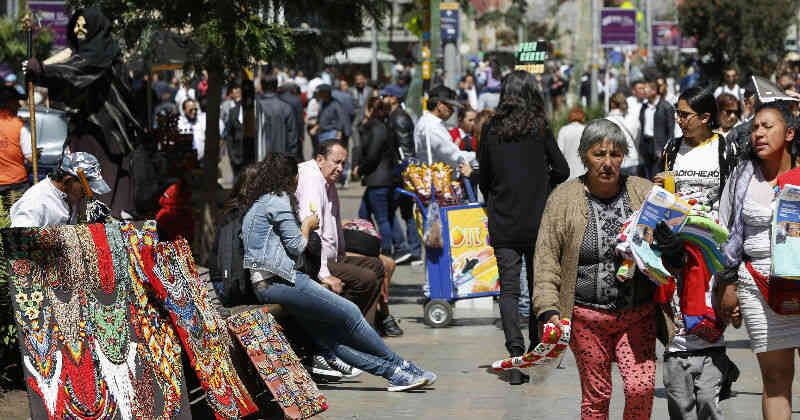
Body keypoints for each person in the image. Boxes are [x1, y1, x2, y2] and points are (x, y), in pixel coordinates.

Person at [241, 154, 435, 392]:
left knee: (331, 339)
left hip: (269, 283)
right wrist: (307, 225)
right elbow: (297, 245)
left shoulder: (261, 202)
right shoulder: (278, 200)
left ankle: (395, 372)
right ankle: (399, 365)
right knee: (350, 312)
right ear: (289, 177)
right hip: (282, 281)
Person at [533, 119, 661, 419]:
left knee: (641, 389)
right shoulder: (563, 199)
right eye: (599, 154)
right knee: (597, 395)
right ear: (584, 156)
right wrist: (548, 309)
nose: (607, 162)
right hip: (586, 318)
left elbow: (670, 246)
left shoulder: (643, 192)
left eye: (615, 154)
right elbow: (546, 259)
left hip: (637, 314)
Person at [479, 70, 570, 385]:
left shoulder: (491, 128)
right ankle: (533, 350)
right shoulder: (539, 127)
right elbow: (562, 169)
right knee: (537, 287)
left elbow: (484, 175)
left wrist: (495, 196)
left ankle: (514, 353)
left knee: (508, 289)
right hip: (537, 220)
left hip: (503, 218)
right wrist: (542, 184)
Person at [655, 87, 740, 419]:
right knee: (680, 316)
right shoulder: (672, 148)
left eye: (684, 114)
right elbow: (665, 195)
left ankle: (714, 373)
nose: (679, 120)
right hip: (678, 249)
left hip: (713, 251)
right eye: (677, 113)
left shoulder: (725, 148)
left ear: (705, 117)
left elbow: (734, 198)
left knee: (709, 313)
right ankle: (682, 370)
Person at [718, 100, 800, 420]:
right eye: (754, 127)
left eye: (768, 126)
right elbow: (725, 232)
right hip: (757, 284)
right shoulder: (742, 177)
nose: (759, 133)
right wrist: (727, 283)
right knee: (775, 378)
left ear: (789, 133)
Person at [24, 7, 143, 218]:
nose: (78, 29)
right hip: (84, 132)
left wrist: (43, 69)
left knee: (104, 197)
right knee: (82, 191)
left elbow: (78, 70)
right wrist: (39, 74)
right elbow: (69, 77)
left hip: (106, 136)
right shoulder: (84, 55)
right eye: (76, 25)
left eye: (84, 25)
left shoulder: (103, 54)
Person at [296, 140, 384, 323]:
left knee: (377, 266)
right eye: (336, 162)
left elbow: (333, 222)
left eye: (344, 163)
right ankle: (347, 326)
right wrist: (324, 273)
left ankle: (366, 328)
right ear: (320, 159)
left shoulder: (327, 180)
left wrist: (341, 252)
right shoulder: (312, 181)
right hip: (314, 262)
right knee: (365, 278)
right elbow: (313, 232)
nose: (341, 168)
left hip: (332, 257)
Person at [356, 97, 408, 260]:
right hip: (383, 179)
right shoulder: (384, 126)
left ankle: (387, 250)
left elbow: (372, 155)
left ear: (371, 110)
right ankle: (394, 246)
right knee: (365, 213)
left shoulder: (377, 128)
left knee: (383, 217)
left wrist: (360, 169)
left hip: (379, 180)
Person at [11, 152, 110, 227]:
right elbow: (20, 241)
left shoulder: (70, 194)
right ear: (68, 181)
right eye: (84, 188)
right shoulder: (35, 203)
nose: (88, 193)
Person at [382, 84, 422, 265]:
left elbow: (406, 150)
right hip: (399, 172)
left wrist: (403, 173)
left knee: (402, 210)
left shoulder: (399, 118)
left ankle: (411, 250)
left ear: (394, 98)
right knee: (404, 211)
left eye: (385, 96)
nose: (382, 99)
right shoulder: (394, 116)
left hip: (401, 173)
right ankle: (410, 249)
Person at [414, 85, 475, 167]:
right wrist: (479, 156)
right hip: (436, 173)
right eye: (450, 107)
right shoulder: (432, 127)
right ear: (440, 105)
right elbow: (454, 157)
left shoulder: (426, 121)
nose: (453, 111)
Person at [254, 75, 298, 159]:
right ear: (277, 87)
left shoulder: (256, 107)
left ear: (262, 87)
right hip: (281, 158)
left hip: (259, 158)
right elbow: (292, 139)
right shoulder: (286, 107)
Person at [0, 86, 31, 201]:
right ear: (9, 103)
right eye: (16, 101)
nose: (19, 105)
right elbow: (31, 157)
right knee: (15, 212)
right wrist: (36, 154)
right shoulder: (20, 125)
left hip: (13, 182)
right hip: (16, 182)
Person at [640, 79, 675, 179]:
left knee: (657, 176)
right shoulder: (644, 106)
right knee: (647, 175)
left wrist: (665, 149)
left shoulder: (666, 107)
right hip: (646, 144)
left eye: (645, 89)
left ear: (654, 91)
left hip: (659, 145)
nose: (643, 91)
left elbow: (671, 131)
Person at [606, 92, 641, 175]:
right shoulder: (634, 119)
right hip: (633, 160)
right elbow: (638, 139)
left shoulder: (607, 121)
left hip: (617, 161)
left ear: (612, 104)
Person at [556, 105, 587, 180]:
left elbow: (559, 153)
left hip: (568, 174)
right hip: (584, 173)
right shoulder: (586, 130)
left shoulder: (563, 130)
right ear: (582, 117)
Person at [279, 82, 306, 161]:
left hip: (280, 131)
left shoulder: (278, 98)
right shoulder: (296, 100)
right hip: (295, 131)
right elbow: (300, 118)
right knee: (297, 155)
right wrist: (302, 134)